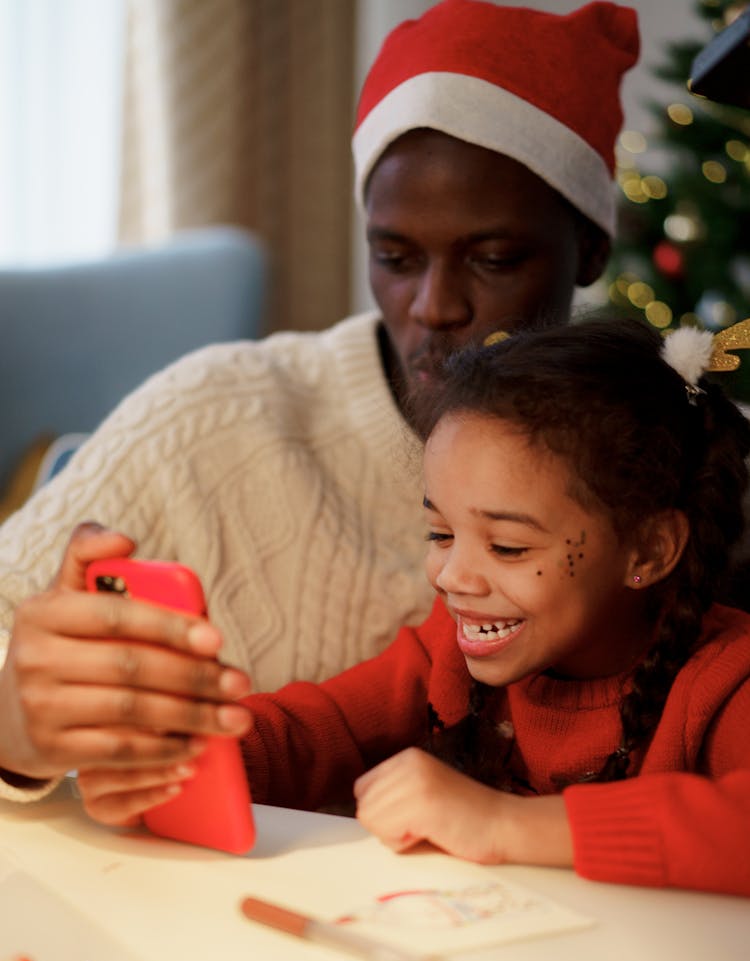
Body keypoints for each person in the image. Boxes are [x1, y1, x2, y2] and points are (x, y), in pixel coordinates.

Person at [0, 0, 639, 799]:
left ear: (589, 250)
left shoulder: (656, 464)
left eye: (496, 257)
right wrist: (14, 725)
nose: (435, 306)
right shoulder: (215, 416)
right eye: (395, 255)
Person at [79, 317, 750, 897]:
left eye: (508, 545)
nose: (452, 575)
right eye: (440, 533)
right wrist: (177, 759)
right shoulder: (449, 651)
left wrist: (499, 823)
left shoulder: (725, 677)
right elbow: (316, 727)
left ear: (650, 549)